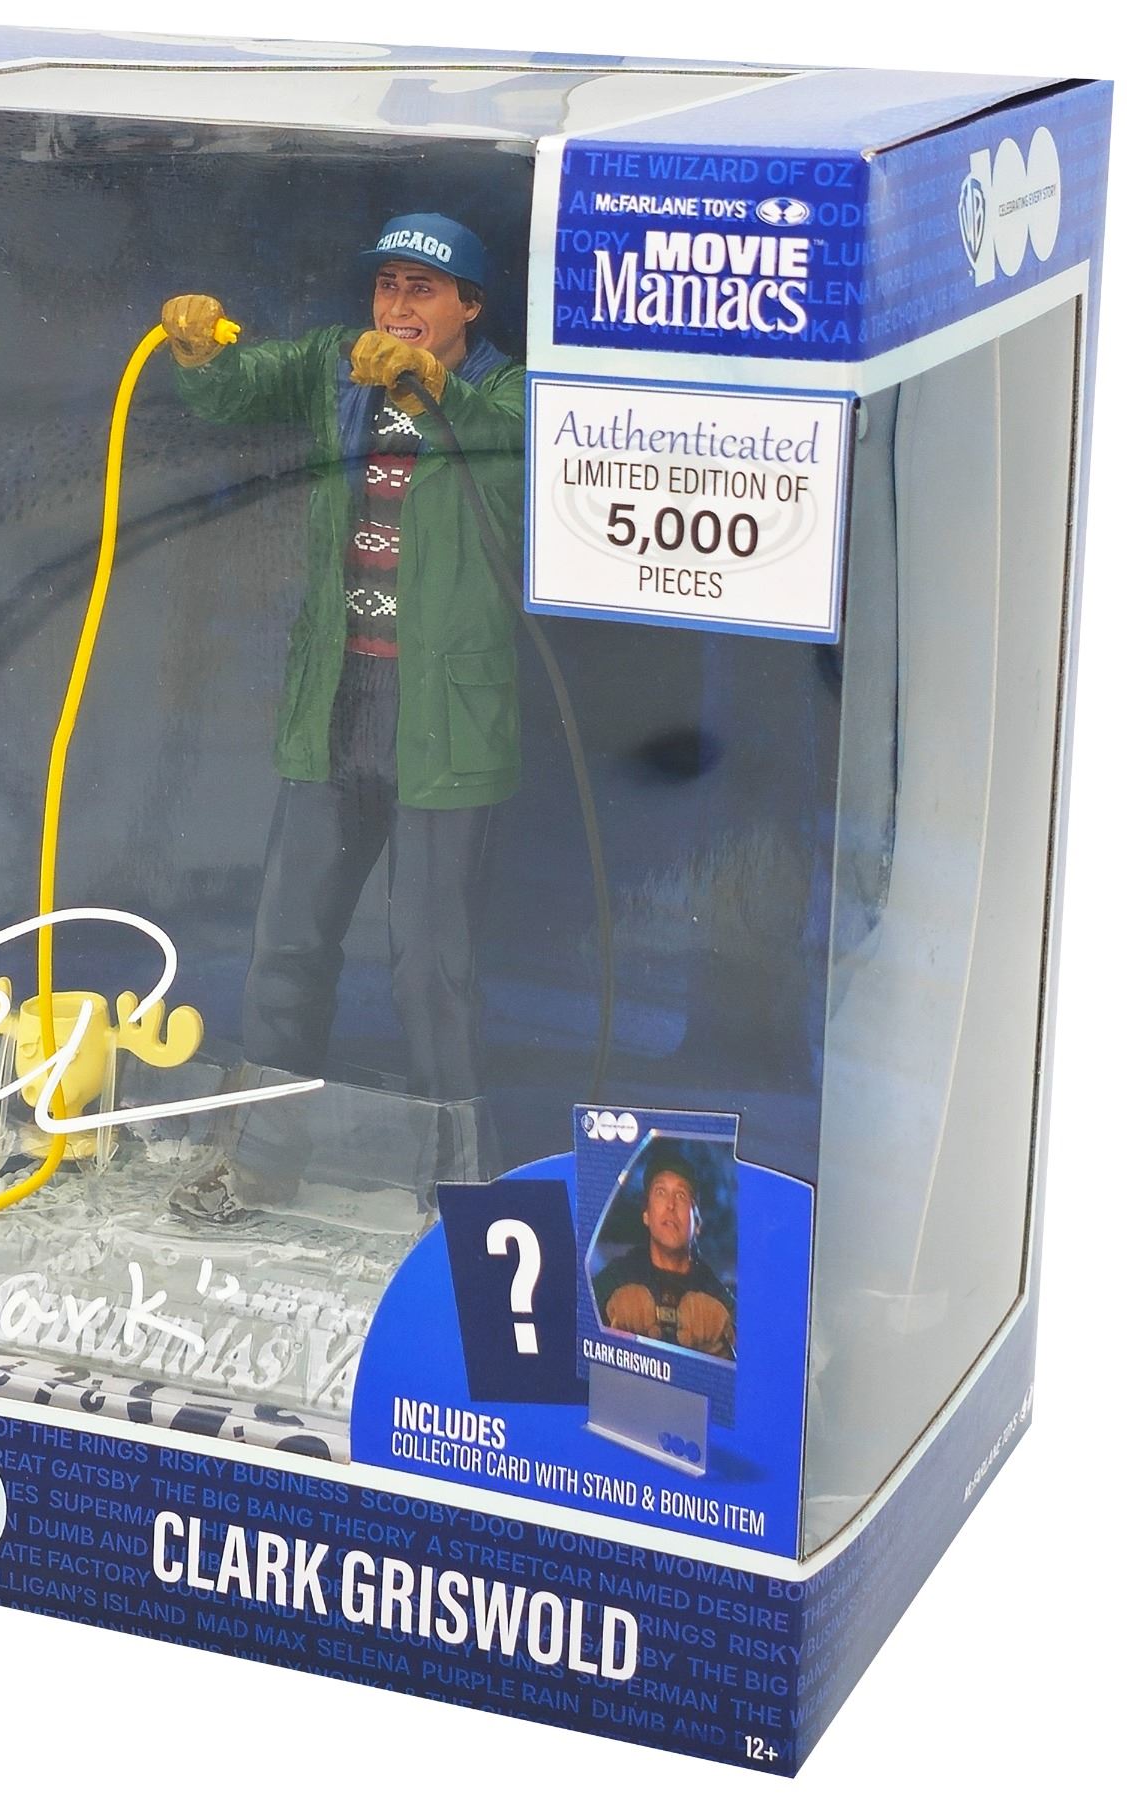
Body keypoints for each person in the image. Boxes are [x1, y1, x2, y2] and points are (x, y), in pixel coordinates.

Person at [162, 212, 524, 1113]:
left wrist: (433, 388)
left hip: (443, 719)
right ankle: (267, 1142)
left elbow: (508, 448)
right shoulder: (340, 364)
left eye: (422, 289)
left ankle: (450, 1160)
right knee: (286, 946)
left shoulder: (510, 393)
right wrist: (200, 354)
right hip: (336, 702)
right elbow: (240, 387)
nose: (398, 305)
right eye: (387, 285)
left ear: (469, 305)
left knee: (431, 968)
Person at [591, 1147, 736, 1359]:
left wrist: (721, 1349)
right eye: (660, 1192)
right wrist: (608, 1318)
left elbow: (751, 1352)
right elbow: (580, 1326)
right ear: (646, 1215)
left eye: (681, 1195)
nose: (670, 1205)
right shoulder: (615, 1278)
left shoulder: (717, 1294)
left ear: (697, 1223)